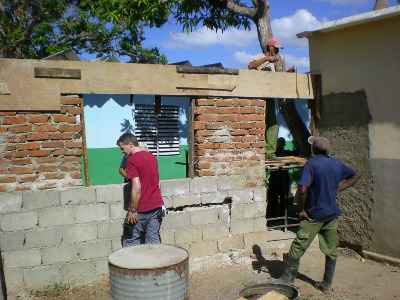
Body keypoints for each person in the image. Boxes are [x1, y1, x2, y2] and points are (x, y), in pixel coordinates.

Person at [274, 136, 361, 294]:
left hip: (313, 215)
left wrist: (301, 210)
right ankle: (327, 285)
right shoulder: (337, 164)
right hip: (332, 214)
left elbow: (302, 189)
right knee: (331, 249)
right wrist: (337, 190)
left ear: (314, 149)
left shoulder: (311, 164)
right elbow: (355, 176)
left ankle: (287, 279)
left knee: (298, 246)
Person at [117, 132, 164, 246]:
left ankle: (133, 264)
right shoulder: (152, 157)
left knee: (131, 242)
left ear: (130, 144)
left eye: (122, 148)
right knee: (153, 241)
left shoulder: (131, 160)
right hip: (157, 207)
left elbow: (137, 187)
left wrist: (133, 210)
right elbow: (157, 182)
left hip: (141, 209)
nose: (121, 151)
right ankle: (155, 264)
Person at [266, 138, 292, 221]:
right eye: (279, 143)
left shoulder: (287, 153)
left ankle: (283, 217)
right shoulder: (273, 155)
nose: (280, 145)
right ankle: (271, 218)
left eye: (282, 143)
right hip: (275, 180)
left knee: (284, 198)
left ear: (284, 144)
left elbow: (297, 153)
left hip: (284, 179)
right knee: (272, 199)